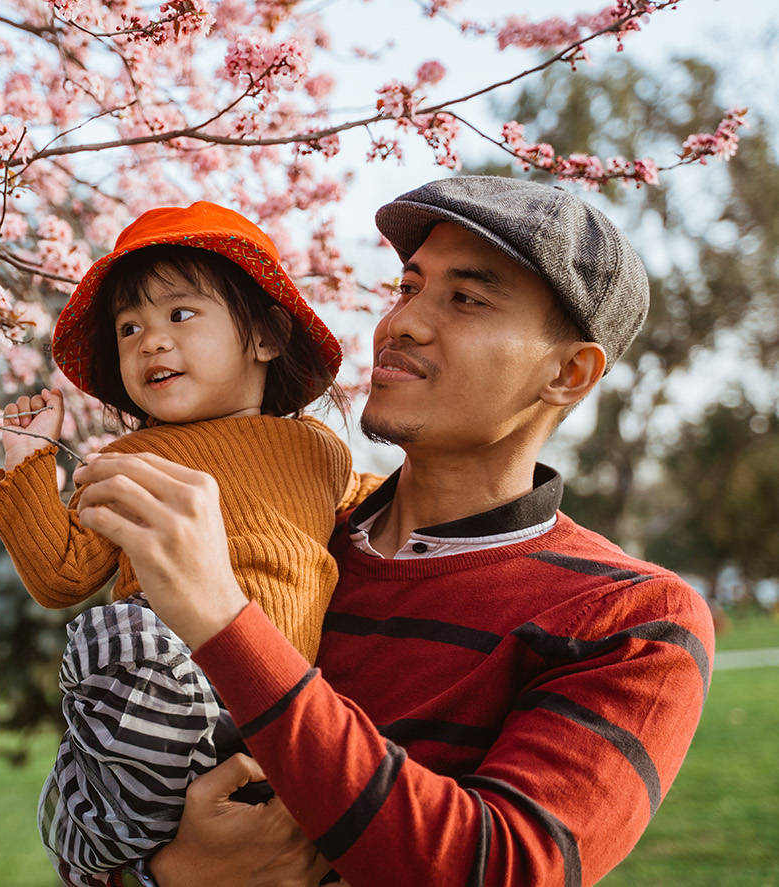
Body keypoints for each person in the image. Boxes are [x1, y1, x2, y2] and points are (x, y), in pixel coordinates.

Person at [71, 176, 716, 887]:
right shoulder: (291, 537)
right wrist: (169, 874)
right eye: (409, 288)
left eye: (466, 298)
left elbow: (499, 868)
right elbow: (114, 791)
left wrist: (225, 621)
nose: (399, 323)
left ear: (568, 372)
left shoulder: (631, 617)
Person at [0, 202, 379, 886]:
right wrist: (27, 462)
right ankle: (93, 830)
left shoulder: (320, 452)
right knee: (117, 638)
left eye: (180, 315)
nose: (150, 342)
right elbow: (63, 575)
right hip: (167, 696)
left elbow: (370, 510)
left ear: (266, 337)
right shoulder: (135, 458)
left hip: (279, 706)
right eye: (130, 328)